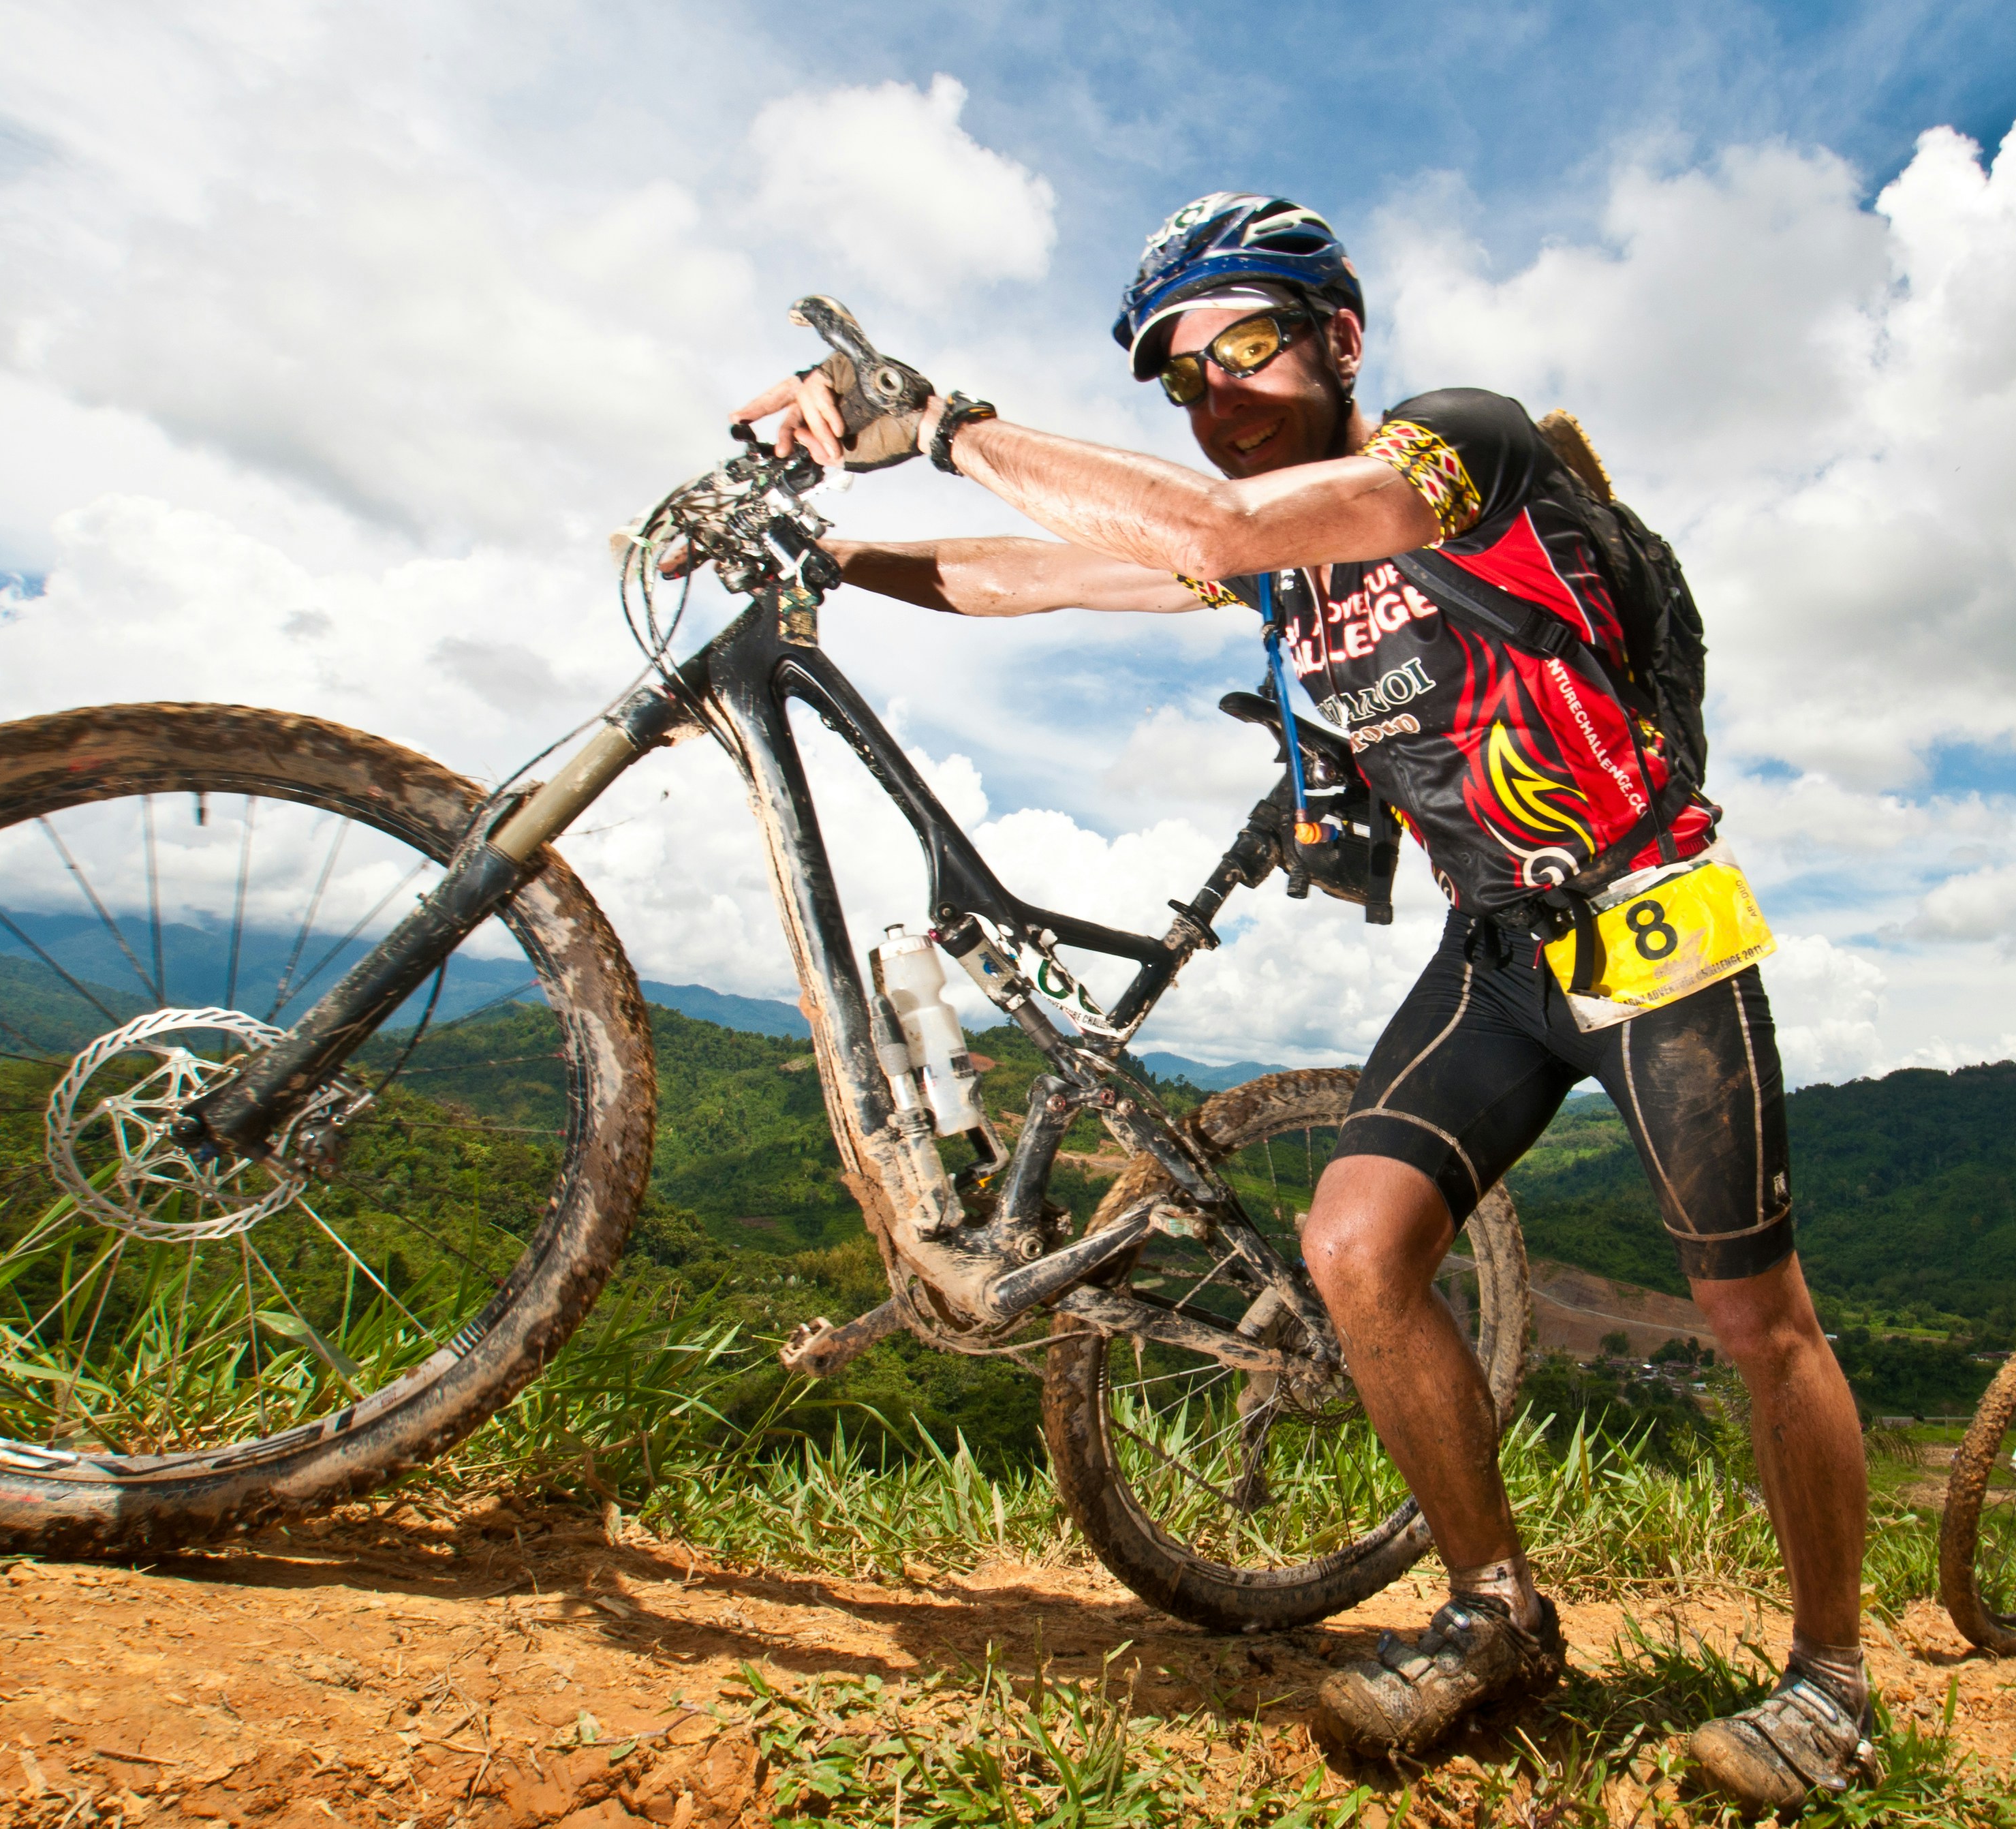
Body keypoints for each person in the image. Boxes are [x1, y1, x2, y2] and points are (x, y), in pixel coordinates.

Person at [732, 194, 1876, 1804]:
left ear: (1340, 337)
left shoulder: (1451, 449)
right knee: (1350, 1248)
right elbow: (1039, 575)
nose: (1216, 396)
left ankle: (1832, 1678)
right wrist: (829, 555)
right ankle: (1494, 1612)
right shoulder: (1292, 575)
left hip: (1651, 923)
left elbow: (1203, 532)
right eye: (1180, 380)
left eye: (1247, 343)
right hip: (1493, 949)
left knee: (1759, 1316)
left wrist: (936, 422)